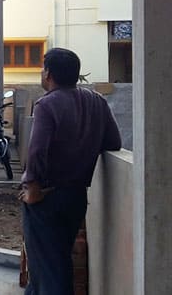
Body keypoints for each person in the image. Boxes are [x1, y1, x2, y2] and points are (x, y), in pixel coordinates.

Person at [19, 47, 122, 295]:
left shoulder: (47, 104)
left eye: (42, 68)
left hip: (47, 198)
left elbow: (37, 150)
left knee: (49, 270)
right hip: (76, 197)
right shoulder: (96, 101)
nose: (41, 73)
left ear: (49, 74)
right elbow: (114, 142)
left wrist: (32, 187)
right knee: (55, 263)